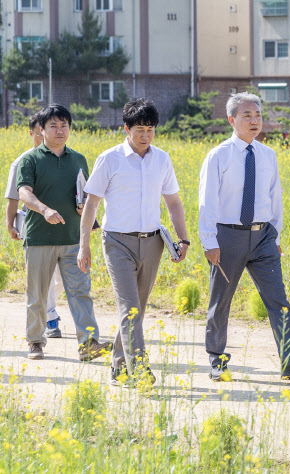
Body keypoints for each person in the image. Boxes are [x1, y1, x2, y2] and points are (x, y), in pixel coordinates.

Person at [198, 91, 290, 382]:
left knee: (279, 299)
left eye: (258, 115)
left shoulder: (267, 155)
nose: (254, 120)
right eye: (247, 115)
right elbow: (206, 201)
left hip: (263, 237)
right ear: (231, 119)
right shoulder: (218, 155)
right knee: (220, 301)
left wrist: (275, 233)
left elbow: (274, 196)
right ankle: (216, 360)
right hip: (228, 237)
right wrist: (209, 241)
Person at [77, 98, 189, 387]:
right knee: (131, 309)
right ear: (126, 128)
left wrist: (184, 238)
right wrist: (84, 244)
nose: (145, 136)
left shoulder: (162, 159)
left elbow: (174, 202)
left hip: (153, 243)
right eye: (139, 129)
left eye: (150, 130)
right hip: (117, 243)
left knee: (136, 308)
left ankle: (118, 367)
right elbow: (91, 205)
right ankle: (139, 369)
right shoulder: (110, 158)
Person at [16, 104, 112, 361]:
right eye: (53, 126)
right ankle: (36, 341)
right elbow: (24, 192)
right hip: (39, 239)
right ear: (41, 130)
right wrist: (44, 209)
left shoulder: (78, 159)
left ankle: (88, 343)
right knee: (37, 293)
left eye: (64, 125)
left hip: (73, 239)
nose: (60, 130)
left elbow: (86, 195)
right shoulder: (30, 159)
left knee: (81, 292)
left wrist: (85, 210)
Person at [5, 113, 64, 338]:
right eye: (40, 132)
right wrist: (10, 224)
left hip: (62, 226)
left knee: (59, 279)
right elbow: (12, 197)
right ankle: (50, 318)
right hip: (34, 228)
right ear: (33, 133)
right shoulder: (22, 161)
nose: (45, 136)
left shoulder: (63, 157)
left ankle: (49, 308)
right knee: (43, 277)